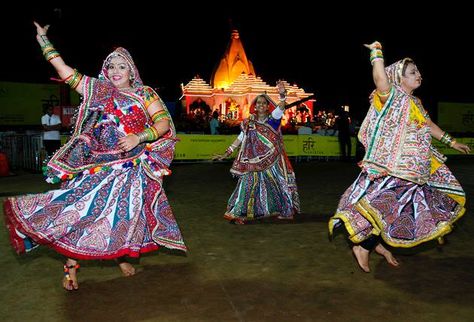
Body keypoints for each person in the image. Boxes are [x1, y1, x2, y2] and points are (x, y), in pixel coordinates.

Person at [3, 22, 186, 291]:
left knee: (122, 216)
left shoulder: (144, 93)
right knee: (83, 215)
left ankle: (120, 258)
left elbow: (162, 125)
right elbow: (66, 72)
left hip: (132, 168)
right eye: (110, 66)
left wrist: (140, 137)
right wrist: (44, 41)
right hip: (98, 168)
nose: (115, 71)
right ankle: (70, 269)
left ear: (131, 70)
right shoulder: (98, 90)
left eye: (121, 66)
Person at [329, 41, 470, 273]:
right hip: (395, 167)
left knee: (406, 209)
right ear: (399, 78)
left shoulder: (415, 102)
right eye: (413, 72)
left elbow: (429, 125)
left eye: (418, 71)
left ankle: (378, 244)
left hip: (418, 167)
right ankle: (364, 245)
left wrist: (452, 142)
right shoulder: (391, 96)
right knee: (389, 205)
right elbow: (380, 80)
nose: (419, 75)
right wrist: (377, 54)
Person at [214, 81, 300, 224]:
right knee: (246, 184)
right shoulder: (249, 122)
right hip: (252, 161)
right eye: (258, 103)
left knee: (281, 183)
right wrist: (227, 153)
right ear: (255, 106)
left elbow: (280, 107)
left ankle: (287, 211)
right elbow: (241, 138)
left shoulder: (273, 120)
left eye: (263, 103)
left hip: (273, 160)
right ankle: (238, 214)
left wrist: (283, 96)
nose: (260, 105)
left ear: (267, 107)